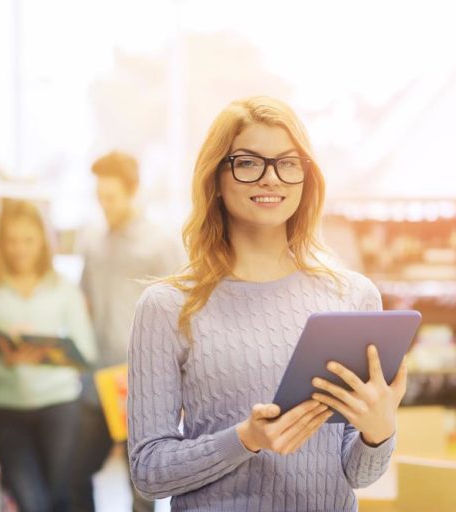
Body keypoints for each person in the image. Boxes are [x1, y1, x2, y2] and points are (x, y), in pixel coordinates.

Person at [127, 96, 407, 511]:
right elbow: (149, 473)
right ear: (215, 179)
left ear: (306, 178)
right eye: (248, 162)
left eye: (288, 163)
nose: (271, 179)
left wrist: (378, 431)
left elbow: (357, 474)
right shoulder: (167, 307)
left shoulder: (352, 296)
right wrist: (245, 440)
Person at [74, 151, 184, 512]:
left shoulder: (160, 243)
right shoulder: (92, 240)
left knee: (141, 488)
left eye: (111, 197)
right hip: (96, 380)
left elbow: (182, 310)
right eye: (99, 197)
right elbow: (84, 300)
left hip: (140, 382)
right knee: (75, 472)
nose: (104, 205)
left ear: (133, 190)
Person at [0, 200, 97, 512]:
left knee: (60, 499)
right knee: (31, 503)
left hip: (60, 408)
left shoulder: (63, 289)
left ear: (42, 241)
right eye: (12, 241)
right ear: (1, 244)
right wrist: (3, 354)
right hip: (8, 410)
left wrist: (48, 351)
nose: (20, 249)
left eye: (28, 240)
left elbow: (86, 352)